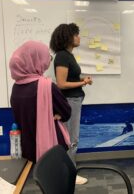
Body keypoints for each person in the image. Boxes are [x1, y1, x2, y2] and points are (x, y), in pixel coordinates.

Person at [9, 40, 71, 163]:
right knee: (53, 179)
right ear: (36, 60)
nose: (48, 60)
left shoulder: (16, 87)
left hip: (27, 148)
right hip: (51, 146)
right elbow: (66, 112)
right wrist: (55, 114)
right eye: (47, 57)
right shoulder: (47, 86)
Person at [50, 23, 93, 185]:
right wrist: (83, 83)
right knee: (71, 139)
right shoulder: (62, 56)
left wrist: (82, 80)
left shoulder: (68, 55)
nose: (79, 37)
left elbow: (69, 80)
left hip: (73, 100)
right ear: (67, 37)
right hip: (69, 102)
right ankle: (69, 174)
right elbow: (61, 83)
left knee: (71, 138)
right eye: (76, 34)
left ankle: (67, 171)